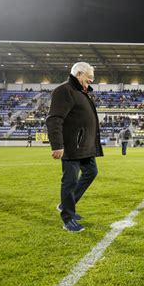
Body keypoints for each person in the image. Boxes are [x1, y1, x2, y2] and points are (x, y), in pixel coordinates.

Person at [46, 62, 103, 233]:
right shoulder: (64, 90)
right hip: (72, 146)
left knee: (91, 172)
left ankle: (66, 205)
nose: (91, 80)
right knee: (70, 181)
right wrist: (57, 145)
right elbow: (54, 118)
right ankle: (68, 218)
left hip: (85, 146)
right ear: (79, 74)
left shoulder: (81, 92)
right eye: (89, 77)